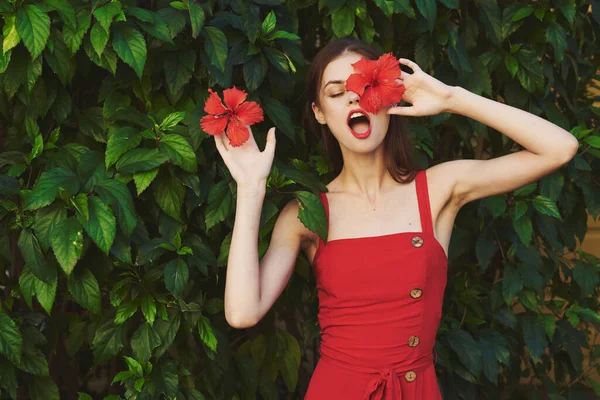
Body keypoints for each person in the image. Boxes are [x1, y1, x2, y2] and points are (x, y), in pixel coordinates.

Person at [215, 38, 579, 399]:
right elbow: (242, 312)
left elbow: (560, 148)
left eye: (365, 84)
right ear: (319, 112)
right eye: (337, 92)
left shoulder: (438, 190)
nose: (355, 97)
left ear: (389, 95)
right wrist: (250, 188)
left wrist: (452, 99)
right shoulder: (307, 214)